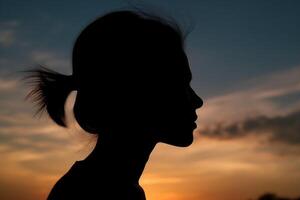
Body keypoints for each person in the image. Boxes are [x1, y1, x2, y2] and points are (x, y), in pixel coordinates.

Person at [25, 10, 203, 200]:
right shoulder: (105, 191)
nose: (197, 101)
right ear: (135, 92)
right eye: (179, 84)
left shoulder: (96, 185)